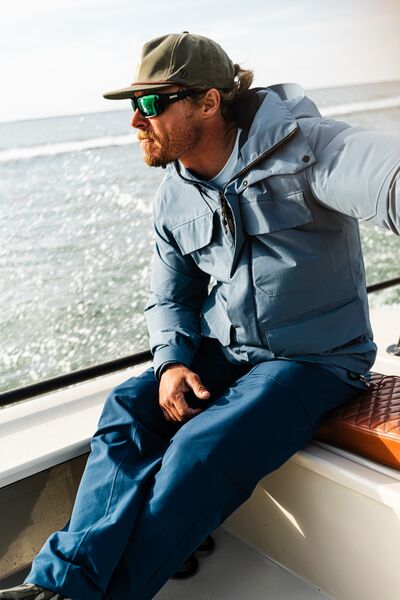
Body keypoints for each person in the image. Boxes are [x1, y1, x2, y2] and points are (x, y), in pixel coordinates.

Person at [1, 31, 399, 600]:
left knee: (199, 448)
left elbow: (384, 175)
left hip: (314, 360)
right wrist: (171, 363)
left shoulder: (307, 147)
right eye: (132, 105)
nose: (135, 121)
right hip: (227, 353)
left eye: (150, 103)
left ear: (208, 102)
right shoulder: (174, 193)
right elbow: (170, 298)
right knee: (128, 408)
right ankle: (59, 583)